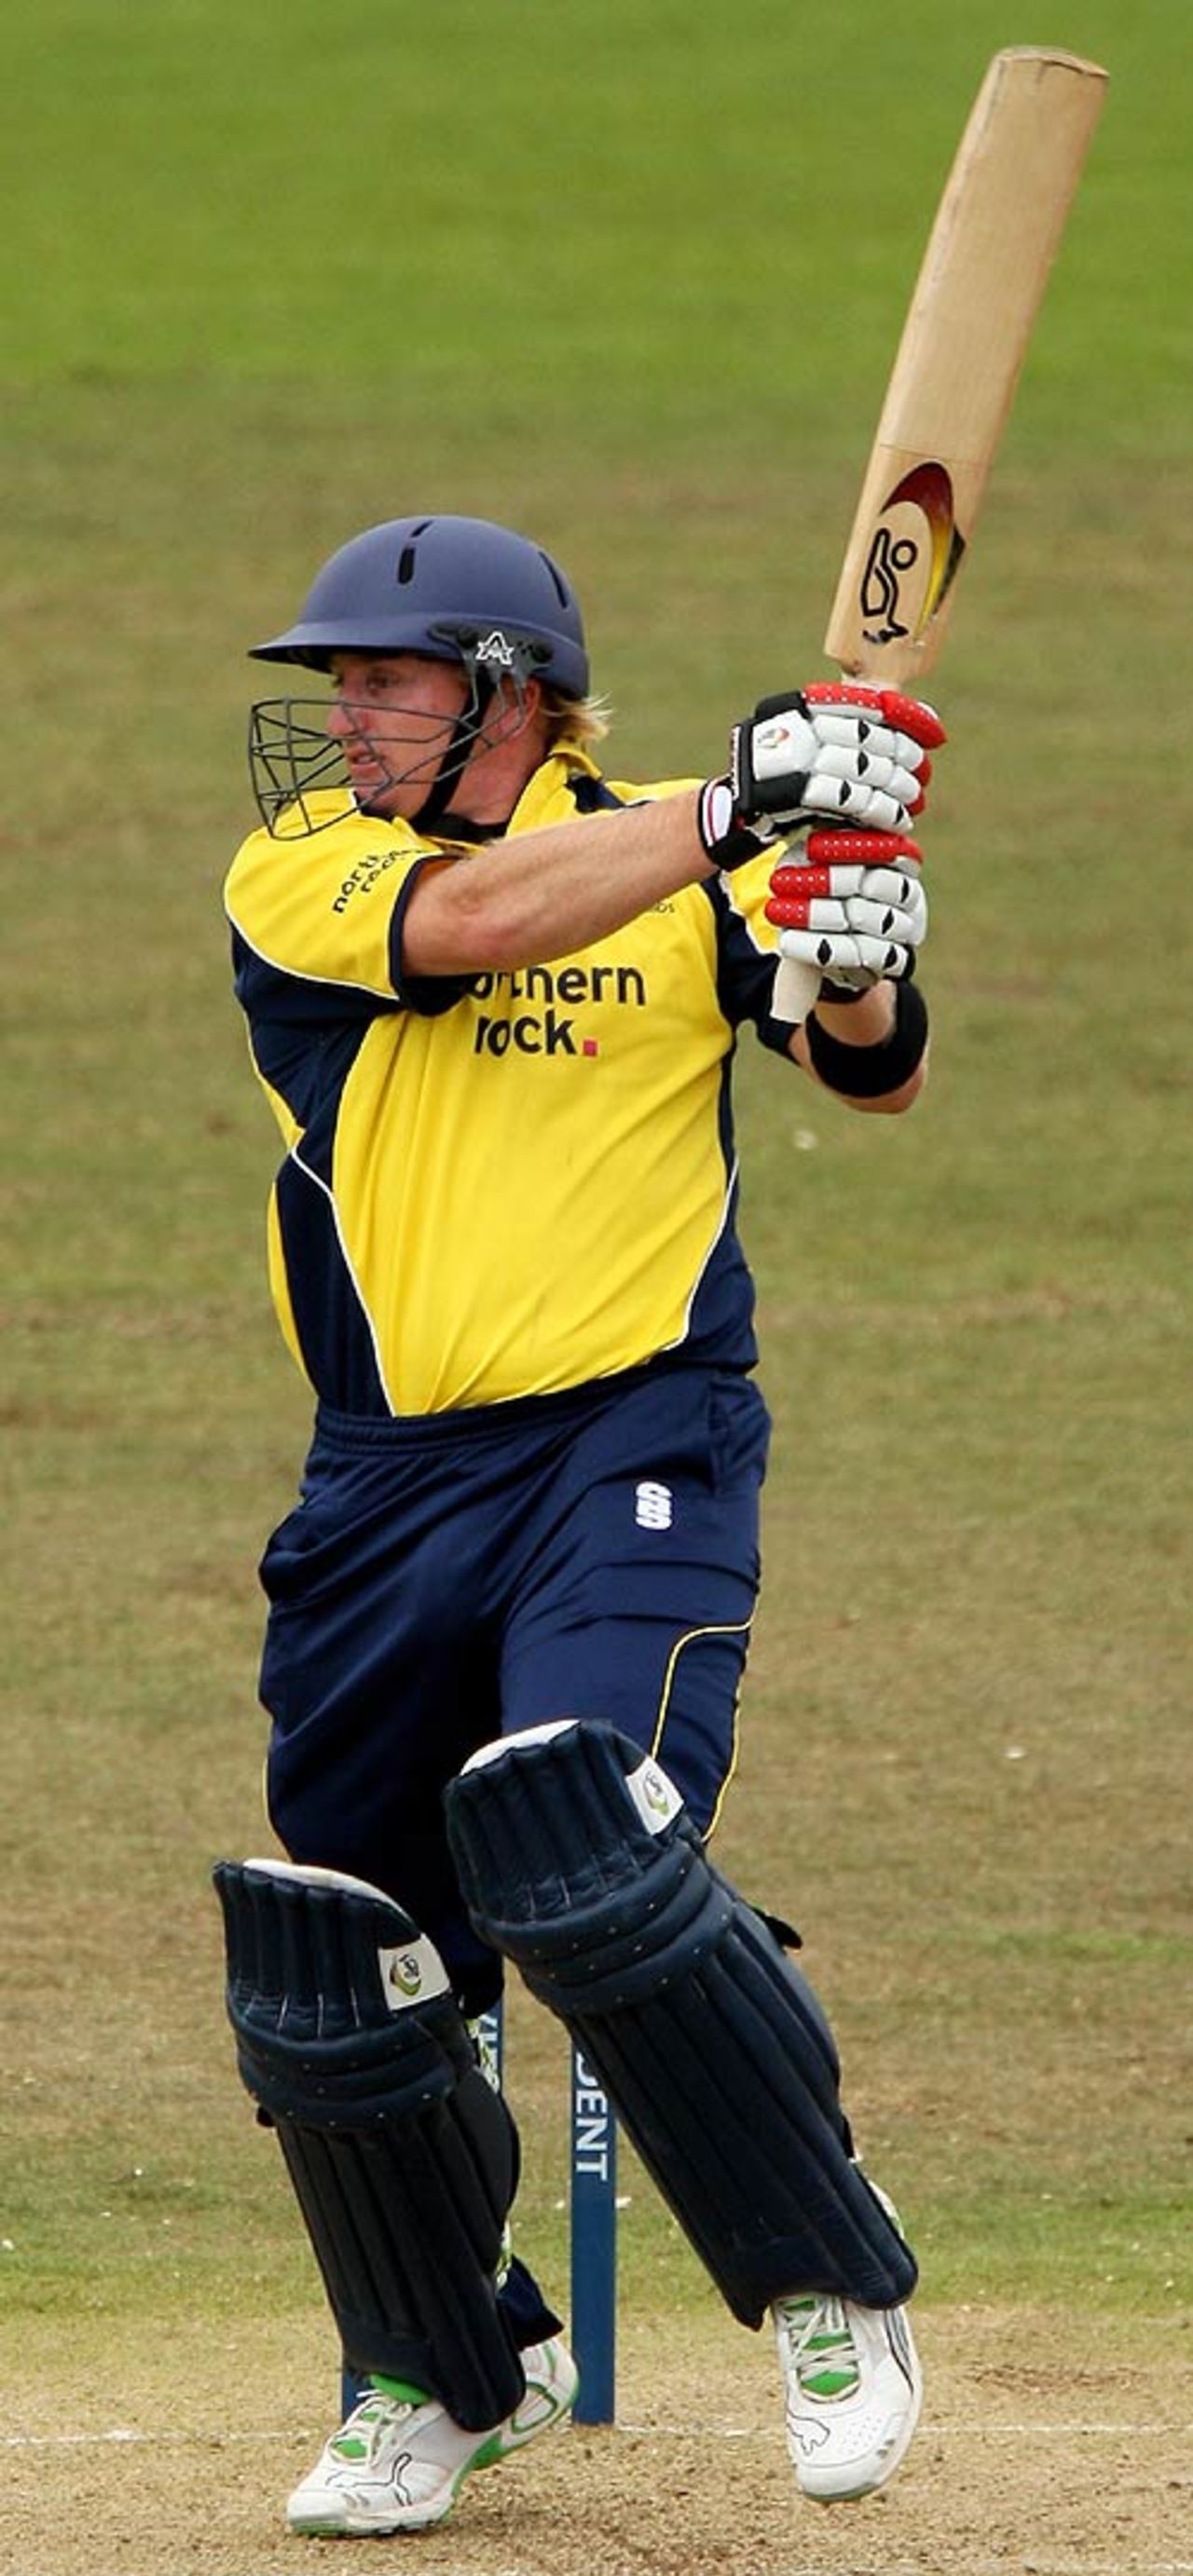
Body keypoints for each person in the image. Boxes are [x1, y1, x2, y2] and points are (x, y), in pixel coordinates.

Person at [214, 512, 943, 2538]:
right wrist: (743, 803)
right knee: (344, 1962)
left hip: (636, 1431)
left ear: (507, 700)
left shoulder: (681, 868)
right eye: (336, 688)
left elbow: (860, 1067)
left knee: (584, 1832)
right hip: (381, 1484)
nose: (342, 719)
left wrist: (859, 954)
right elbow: (478, 928)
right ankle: (444, 2368)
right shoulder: (314, 878)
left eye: (382, 683)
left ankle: (825, 2281)